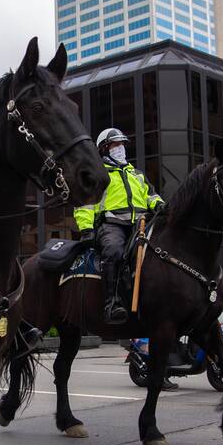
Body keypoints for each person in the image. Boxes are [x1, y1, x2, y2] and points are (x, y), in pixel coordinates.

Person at [74, 128, 163, 324]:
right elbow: (85, 204)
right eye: (116, 145)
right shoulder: (99, 175)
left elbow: (151, 196)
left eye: (122, 144)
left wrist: (161, 206)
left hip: (142, 223)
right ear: (105, 149)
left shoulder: (137, 174)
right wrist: (87, 229)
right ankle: (111, 303)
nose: (121, 148)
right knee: (114, 251)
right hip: (113, 225)